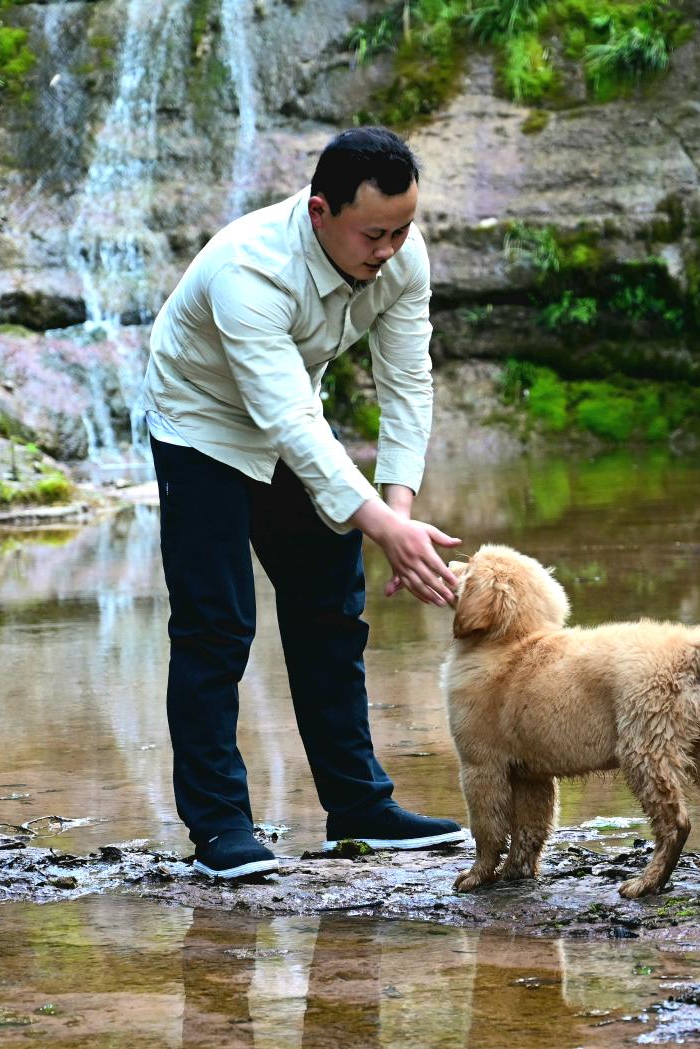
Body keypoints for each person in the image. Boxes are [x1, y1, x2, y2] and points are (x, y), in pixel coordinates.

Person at [142, 126, 466, 879]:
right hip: (202, 425)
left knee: (330, 603)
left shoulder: (399, 256)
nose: (389, 248)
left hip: (293, 422)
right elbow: (282, 414)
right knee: (215, 624)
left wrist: (398, 506)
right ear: (319, 211)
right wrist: (380, 524)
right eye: (373, 233)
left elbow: (407, 380)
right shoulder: (247, 269)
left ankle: (359, 806)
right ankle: (219, 826)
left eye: (403, 228)